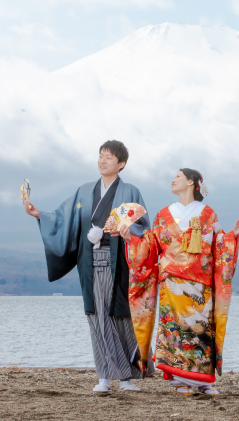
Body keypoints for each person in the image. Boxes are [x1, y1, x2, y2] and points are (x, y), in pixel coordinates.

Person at [25, 140, 150, 393]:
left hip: (118, 261)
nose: (102, 161)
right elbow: (63, 217)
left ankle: (126, 378)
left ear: (121, 164)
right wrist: (40, 215)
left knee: (121, 316)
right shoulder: (84, 191)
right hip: (90, 261)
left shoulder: (130, 192)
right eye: (100, 156)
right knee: (96, 317)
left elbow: (143, 227)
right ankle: (104, 376)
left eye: (109, 157)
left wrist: (128, 233)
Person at [121, 168, 239, 396]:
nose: (173, 179)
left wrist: (231, 237)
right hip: (172, 284)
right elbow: (151, 246)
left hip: (200, 282)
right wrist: (131, 239)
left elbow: (217, 244)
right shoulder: (163, 214)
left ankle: (204, 382)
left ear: (191, 183)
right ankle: (179, 381)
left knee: (201, 330)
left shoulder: (208, 213)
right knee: (176, 331)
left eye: (178, 176)